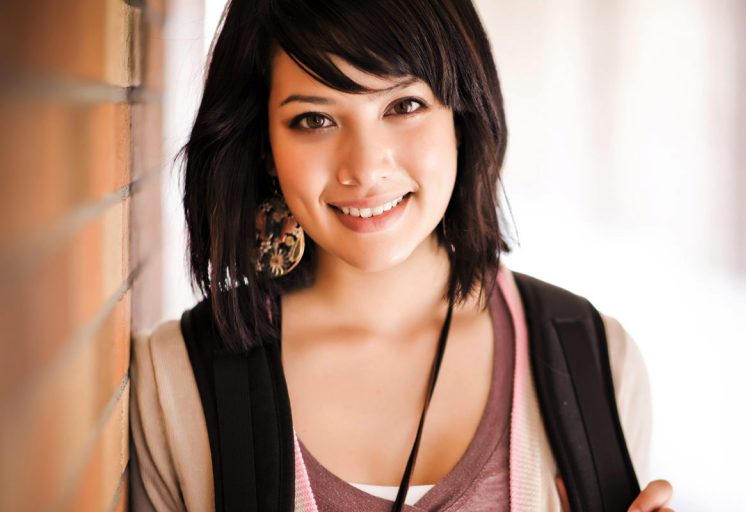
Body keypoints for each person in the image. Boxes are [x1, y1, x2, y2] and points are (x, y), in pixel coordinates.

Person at [129, 0, 674, 510]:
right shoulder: (173, 388)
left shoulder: (598, 363)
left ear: (460, 119)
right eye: (315, 119)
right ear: (265, 147)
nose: (364, 169)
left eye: (404, 105)